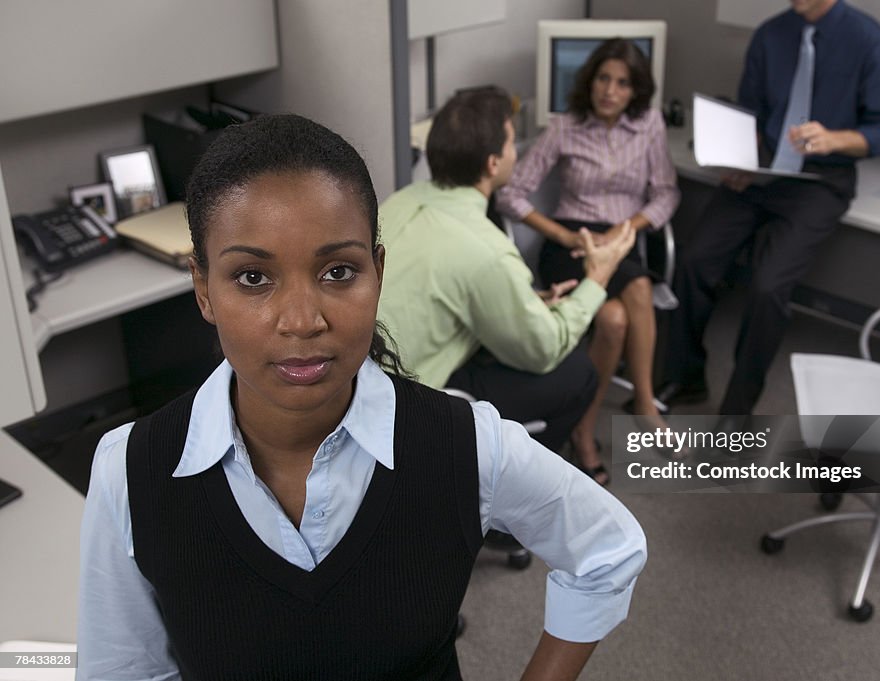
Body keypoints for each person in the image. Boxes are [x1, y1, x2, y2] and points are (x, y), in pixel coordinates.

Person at [76, 114, 647, 680]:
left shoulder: (465, 443)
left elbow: (607, 550)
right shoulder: (129, 472)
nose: (302, 321)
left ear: (377, 272)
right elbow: (124, 670)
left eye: (338, 271)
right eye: (253, 277)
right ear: (204, 290)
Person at [658, 0, 880, 416]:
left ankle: (737, 410)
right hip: (761, 173)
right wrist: (739, 156)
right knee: (694, 260)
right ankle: (685, 377)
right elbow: (752, 114)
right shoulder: (771, 35)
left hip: (820, 181)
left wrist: (835, 139)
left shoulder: (870, 42)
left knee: (769, 286)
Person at [378, 87, 636, 484]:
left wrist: (525, 299)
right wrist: (598, 275)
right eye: (513, 142)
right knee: (577, 371)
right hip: (412, 402)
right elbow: (543, 349)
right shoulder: (487, 250)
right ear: (494, 162)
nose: (517, 151)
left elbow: (441, 287)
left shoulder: (398, 202)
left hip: (365, 384)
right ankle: (503, 505)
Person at [496, 38, 681, 477]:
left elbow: (667, 192)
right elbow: (510, 193)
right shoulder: (565, 127)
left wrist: (629, 228)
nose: (610, 91)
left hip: (620, 240)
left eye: (622, 83)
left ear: (636, 91)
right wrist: (563, 234)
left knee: (625, 303)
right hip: (572, 244)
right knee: (617, 315)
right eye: (603, 78)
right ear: (590, 79)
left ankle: (625, 407)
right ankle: (621, 415)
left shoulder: (650, 125)